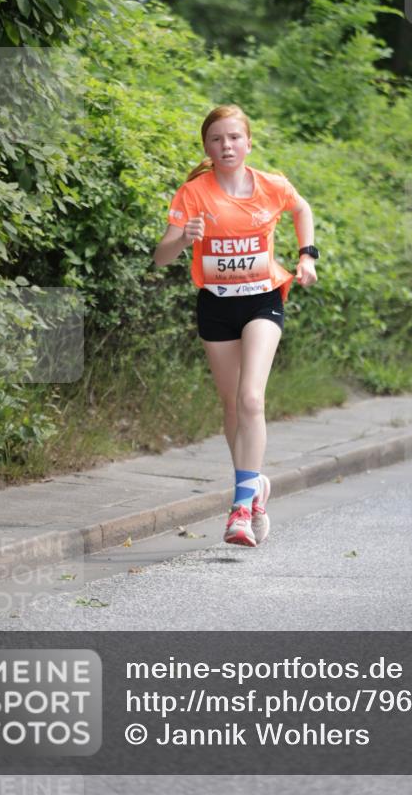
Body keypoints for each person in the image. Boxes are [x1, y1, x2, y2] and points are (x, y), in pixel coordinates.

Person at [153, 104, 318, 547]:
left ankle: (241, 508)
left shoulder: (271, 185)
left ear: (248, 143)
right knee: (231, 405)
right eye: (216, 139)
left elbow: (302, 209)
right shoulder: (193, 193)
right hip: (216, 305)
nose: (226, 146)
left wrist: (307, 256)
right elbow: (161, 257)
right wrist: (182, 238)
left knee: (250, 398)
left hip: (263, 299)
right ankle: (253, 484)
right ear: (206, 147)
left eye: (233, 138)